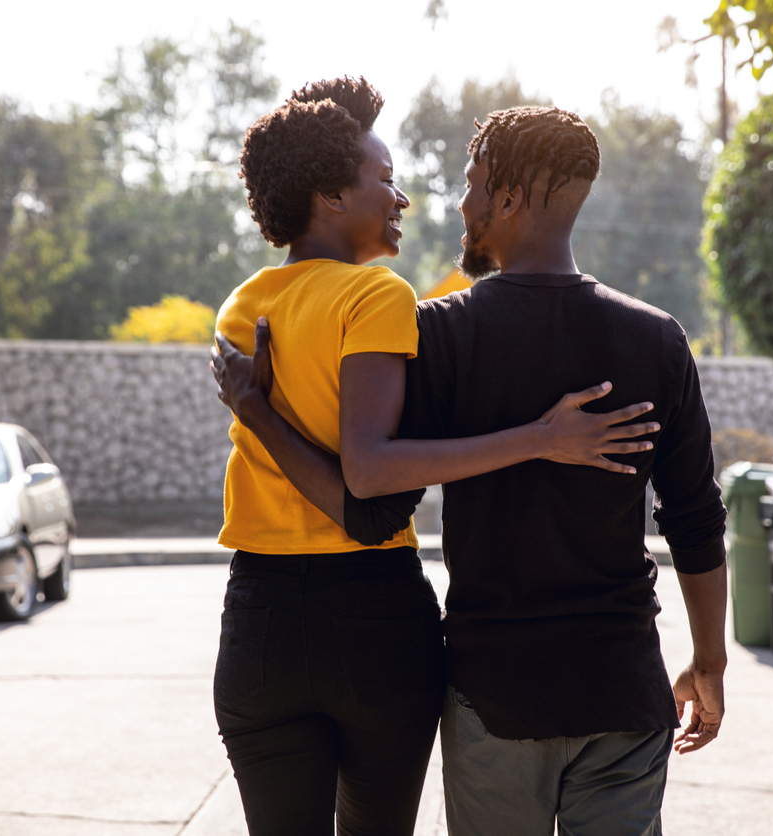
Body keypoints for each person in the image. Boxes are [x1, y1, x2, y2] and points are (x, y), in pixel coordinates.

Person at [214, 105, 729, 836]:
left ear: (509, 200)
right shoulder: (658, 340)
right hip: (622, 689)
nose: (457, 203)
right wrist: (710, 661)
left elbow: (372, 491)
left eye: (471, 184)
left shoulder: (442, 335)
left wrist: (259, 412)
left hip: (495, 695)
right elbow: (696, 518)